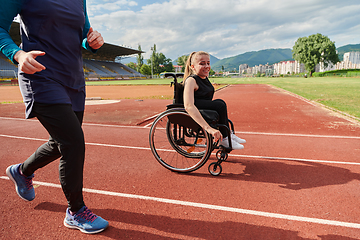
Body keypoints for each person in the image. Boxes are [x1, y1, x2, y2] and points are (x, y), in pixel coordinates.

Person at [0, 0, 109, 234]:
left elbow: (83, 35)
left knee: (61, 142)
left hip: (74, 79)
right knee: (73, 142)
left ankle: (22, 171)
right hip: (40, 75)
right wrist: (17, 54)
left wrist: (92, 43)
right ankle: (76, 211)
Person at [183, 51, 246, 150]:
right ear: (193, 66)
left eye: (208, 63)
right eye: (202, 63)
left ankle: (228, 134)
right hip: (195, 107)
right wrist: (208, 128)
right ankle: (225, 139)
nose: (207, 66)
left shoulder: (204, 78)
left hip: (204, 106)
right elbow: (188, 106)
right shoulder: (191, 80)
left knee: (220, 103)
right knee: (219, 104)